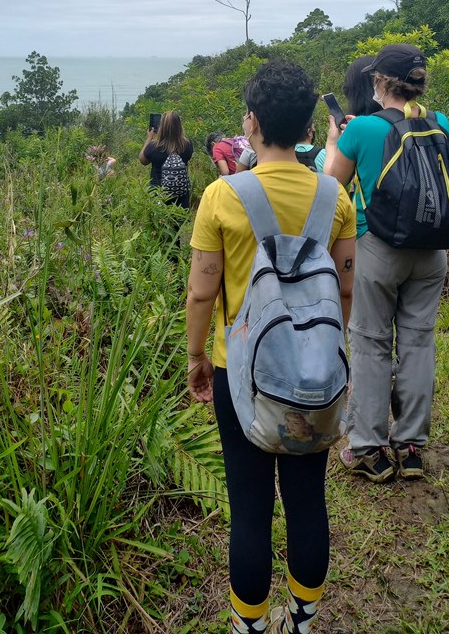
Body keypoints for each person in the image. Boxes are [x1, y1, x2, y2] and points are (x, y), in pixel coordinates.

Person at [187, 60, 356, 634]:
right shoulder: (334, 198)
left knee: (250, 507)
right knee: (309, 499)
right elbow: (346, 288)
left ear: (252, 123)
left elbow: (201, 291)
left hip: (239, 374)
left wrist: (193, 359)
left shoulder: (220, 196)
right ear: (310, 128)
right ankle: (302, 620)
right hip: (316, 373)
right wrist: (331, 357)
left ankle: (249, 626)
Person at [323, 43, 449, 483]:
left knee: (372, 343)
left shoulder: (362, 130)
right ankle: (411, 446)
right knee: (418, 341)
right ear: (419, 83)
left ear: (380, 82)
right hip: (433, 252)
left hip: (379, 249)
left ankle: (370, 450)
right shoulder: (439, 122)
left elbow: (329, 189)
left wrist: (337, 140)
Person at [139, 110, 193, 208]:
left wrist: (149, 138)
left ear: (161, 127)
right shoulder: (187, 145)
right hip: (181, 194)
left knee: (159, 222)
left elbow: (143, 160)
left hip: (158, 193)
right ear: (179, 126)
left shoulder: (154, 146)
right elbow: (188, 157)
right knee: (181, 221)